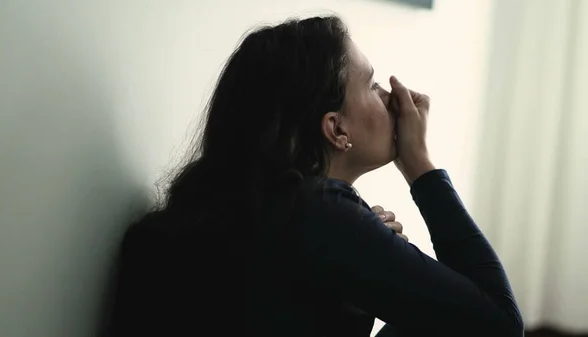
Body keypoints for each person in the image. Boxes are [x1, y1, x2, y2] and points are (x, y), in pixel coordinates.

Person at [106, 16, 523, 337]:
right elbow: (499, 325)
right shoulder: (319, 213)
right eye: (372, 83)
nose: (389, 96)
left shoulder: (251, 213)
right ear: (336, 128)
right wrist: (420, 164)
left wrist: (372, 268)